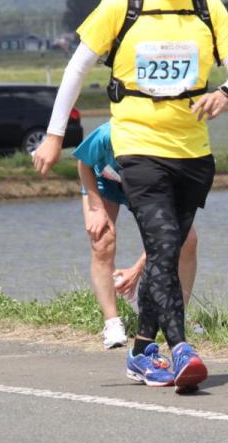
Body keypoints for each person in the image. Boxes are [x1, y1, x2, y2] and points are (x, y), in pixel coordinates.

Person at [31, 0, 228, 392]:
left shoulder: (206, 4)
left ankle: (139, 352)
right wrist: (54, 135)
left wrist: (225, 93)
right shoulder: (121, 4)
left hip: (193, 151)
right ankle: (182, 351)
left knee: (164, 252)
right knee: (164, 244)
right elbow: (76, 69)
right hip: (138, 145)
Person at [74, 121, 199, 349]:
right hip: (104, 181)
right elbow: (84, 164)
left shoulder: (166, 146)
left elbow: (169, 233)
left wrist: (137, 269)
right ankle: (112, 323)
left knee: (187, 240)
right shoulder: (108, 134)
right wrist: (97, 207)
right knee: (102, 241)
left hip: (147, 182)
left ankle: (179, 315)